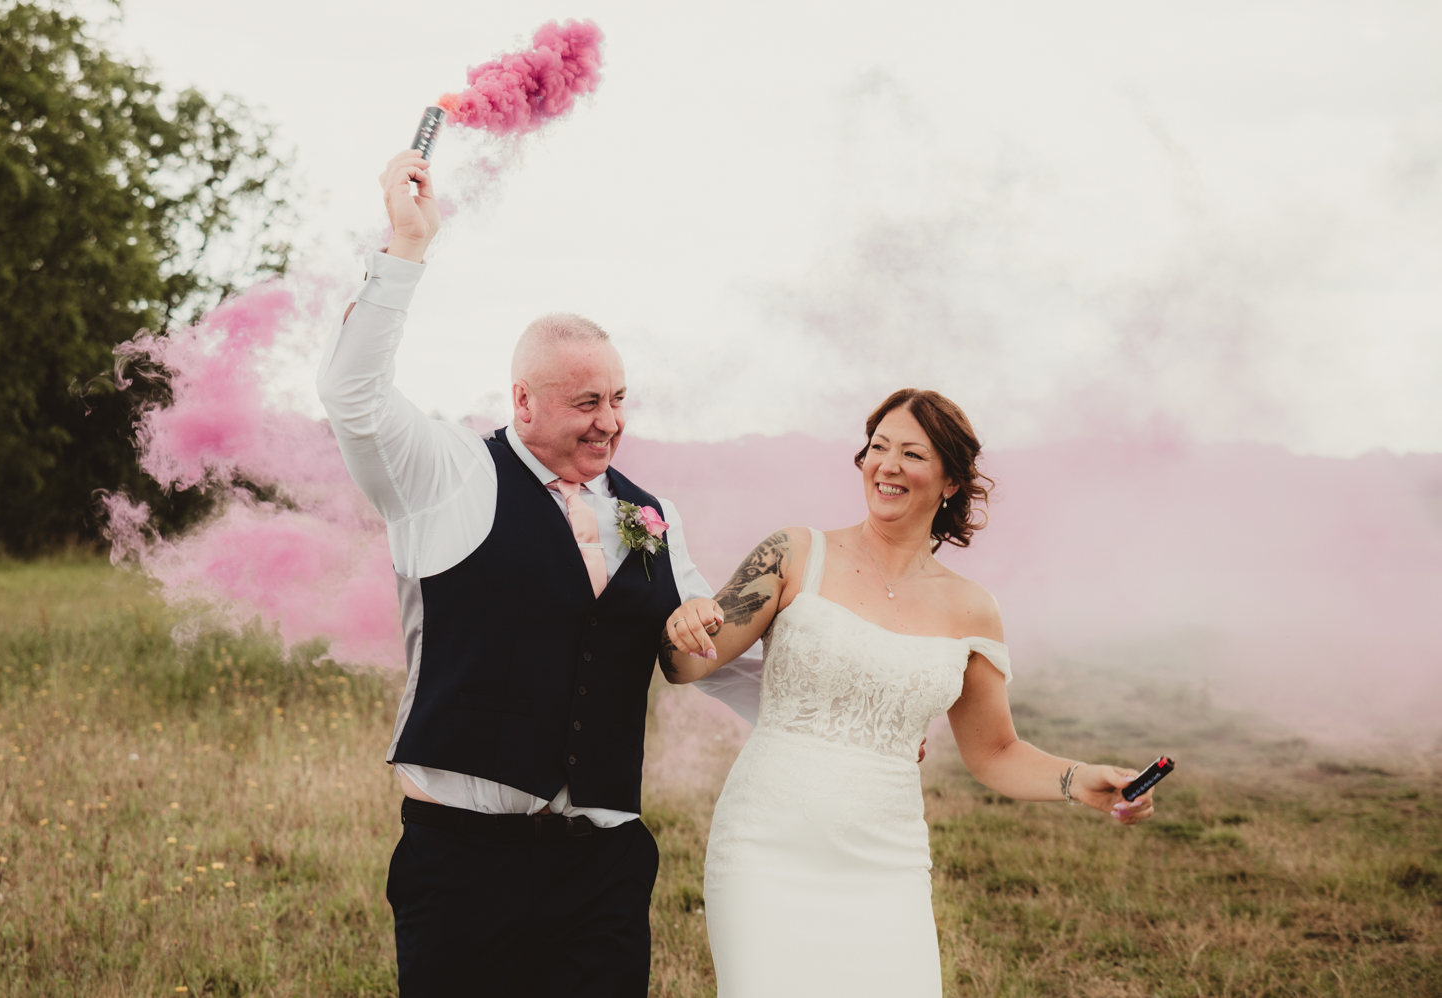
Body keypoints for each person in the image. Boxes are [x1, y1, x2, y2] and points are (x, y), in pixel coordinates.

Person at [316, 149, 714, 997]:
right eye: (585, 404)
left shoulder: (653, 515)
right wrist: (405, 247)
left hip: (603, 863)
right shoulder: (447, 473)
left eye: (617, 400)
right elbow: (353, 395)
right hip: (466, 864)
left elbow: (707, 645)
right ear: (523, 401)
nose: (608, 423)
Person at [660, 388, 1158, 997]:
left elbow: (995, 750)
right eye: (878, 448)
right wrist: (682, 621)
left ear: (949, 480)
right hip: (766, 849)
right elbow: (684, 665)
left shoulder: (972, 608)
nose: (887, 465)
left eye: (912, 454)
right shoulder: (794, 553)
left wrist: (1080, 780)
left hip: (886, 863)